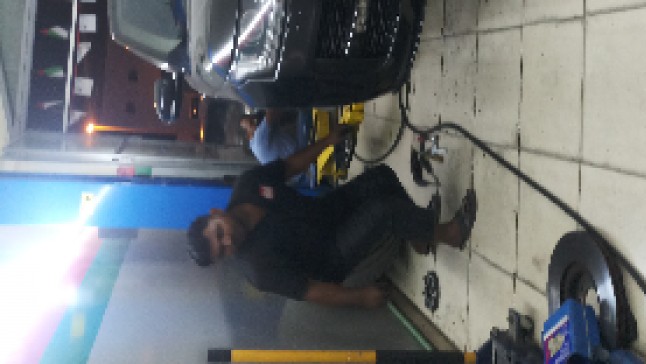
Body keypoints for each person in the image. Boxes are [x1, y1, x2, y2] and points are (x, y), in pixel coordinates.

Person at [187, 125, 477, 309]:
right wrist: (361, 298)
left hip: (326, 211)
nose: (228, 242)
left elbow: (289, 166)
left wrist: (327, 141)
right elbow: (310, 291)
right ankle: (450, 234)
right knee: (384, 211)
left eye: (219, 233)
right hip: (332, 254)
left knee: (382, 177)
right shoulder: (258, 268)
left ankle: (419, 237)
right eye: (222, 251)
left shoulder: (248, 186)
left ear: (216, 214)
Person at [239, 108, 310, 164]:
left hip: (298, 160)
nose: (255, 122)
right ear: (248, 135)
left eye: (254, 120)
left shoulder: (255, 148)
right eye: (251, 123)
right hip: (301, 156)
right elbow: (273, 110)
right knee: (304, 110)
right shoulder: (258, 139)